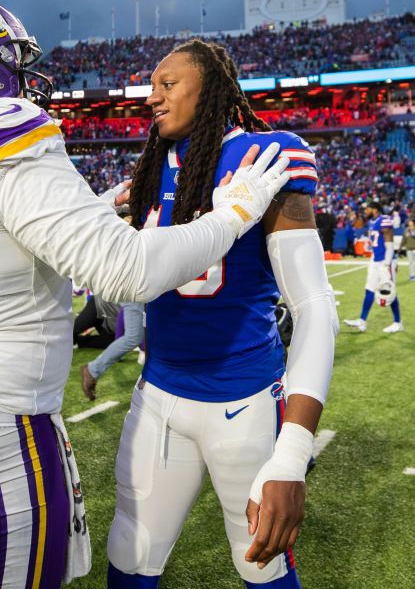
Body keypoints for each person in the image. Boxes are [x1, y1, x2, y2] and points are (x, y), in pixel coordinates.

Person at [0, 0, 294, 589]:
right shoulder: (2, 129)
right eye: (9, 56)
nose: (19, 70)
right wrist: (232, 214)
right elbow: (129, 272)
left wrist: (88, 207)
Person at [106, 38, 336, 589]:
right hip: (157, 394)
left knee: (259, 562)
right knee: (130, 552)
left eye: (167, 84)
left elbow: (315, 308)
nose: (152, 98)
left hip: (244, 401)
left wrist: (291, 453)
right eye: (151, 87)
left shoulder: (266, 157)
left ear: (207, 89)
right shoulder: (150, 170)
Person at [344, 201, 404, 334]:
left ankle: (398, 322)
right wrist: (373, 260)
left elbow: (390, 245)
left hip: (385, 261)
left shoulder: (384, 221)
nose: (365, 211)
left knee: (389, 291)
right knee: (369, 289)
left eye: (368, 209)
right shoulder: (372, 222)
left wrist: (387, 264)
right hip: (375, 260)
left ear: (375, 209)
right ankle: (362, 321)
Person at [78, 300, 144, 400]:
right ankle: (92, 370)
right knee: (69, 333)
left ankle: (91, 368)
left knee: (132, 337)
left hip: (112, 314)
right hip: (98, 306)